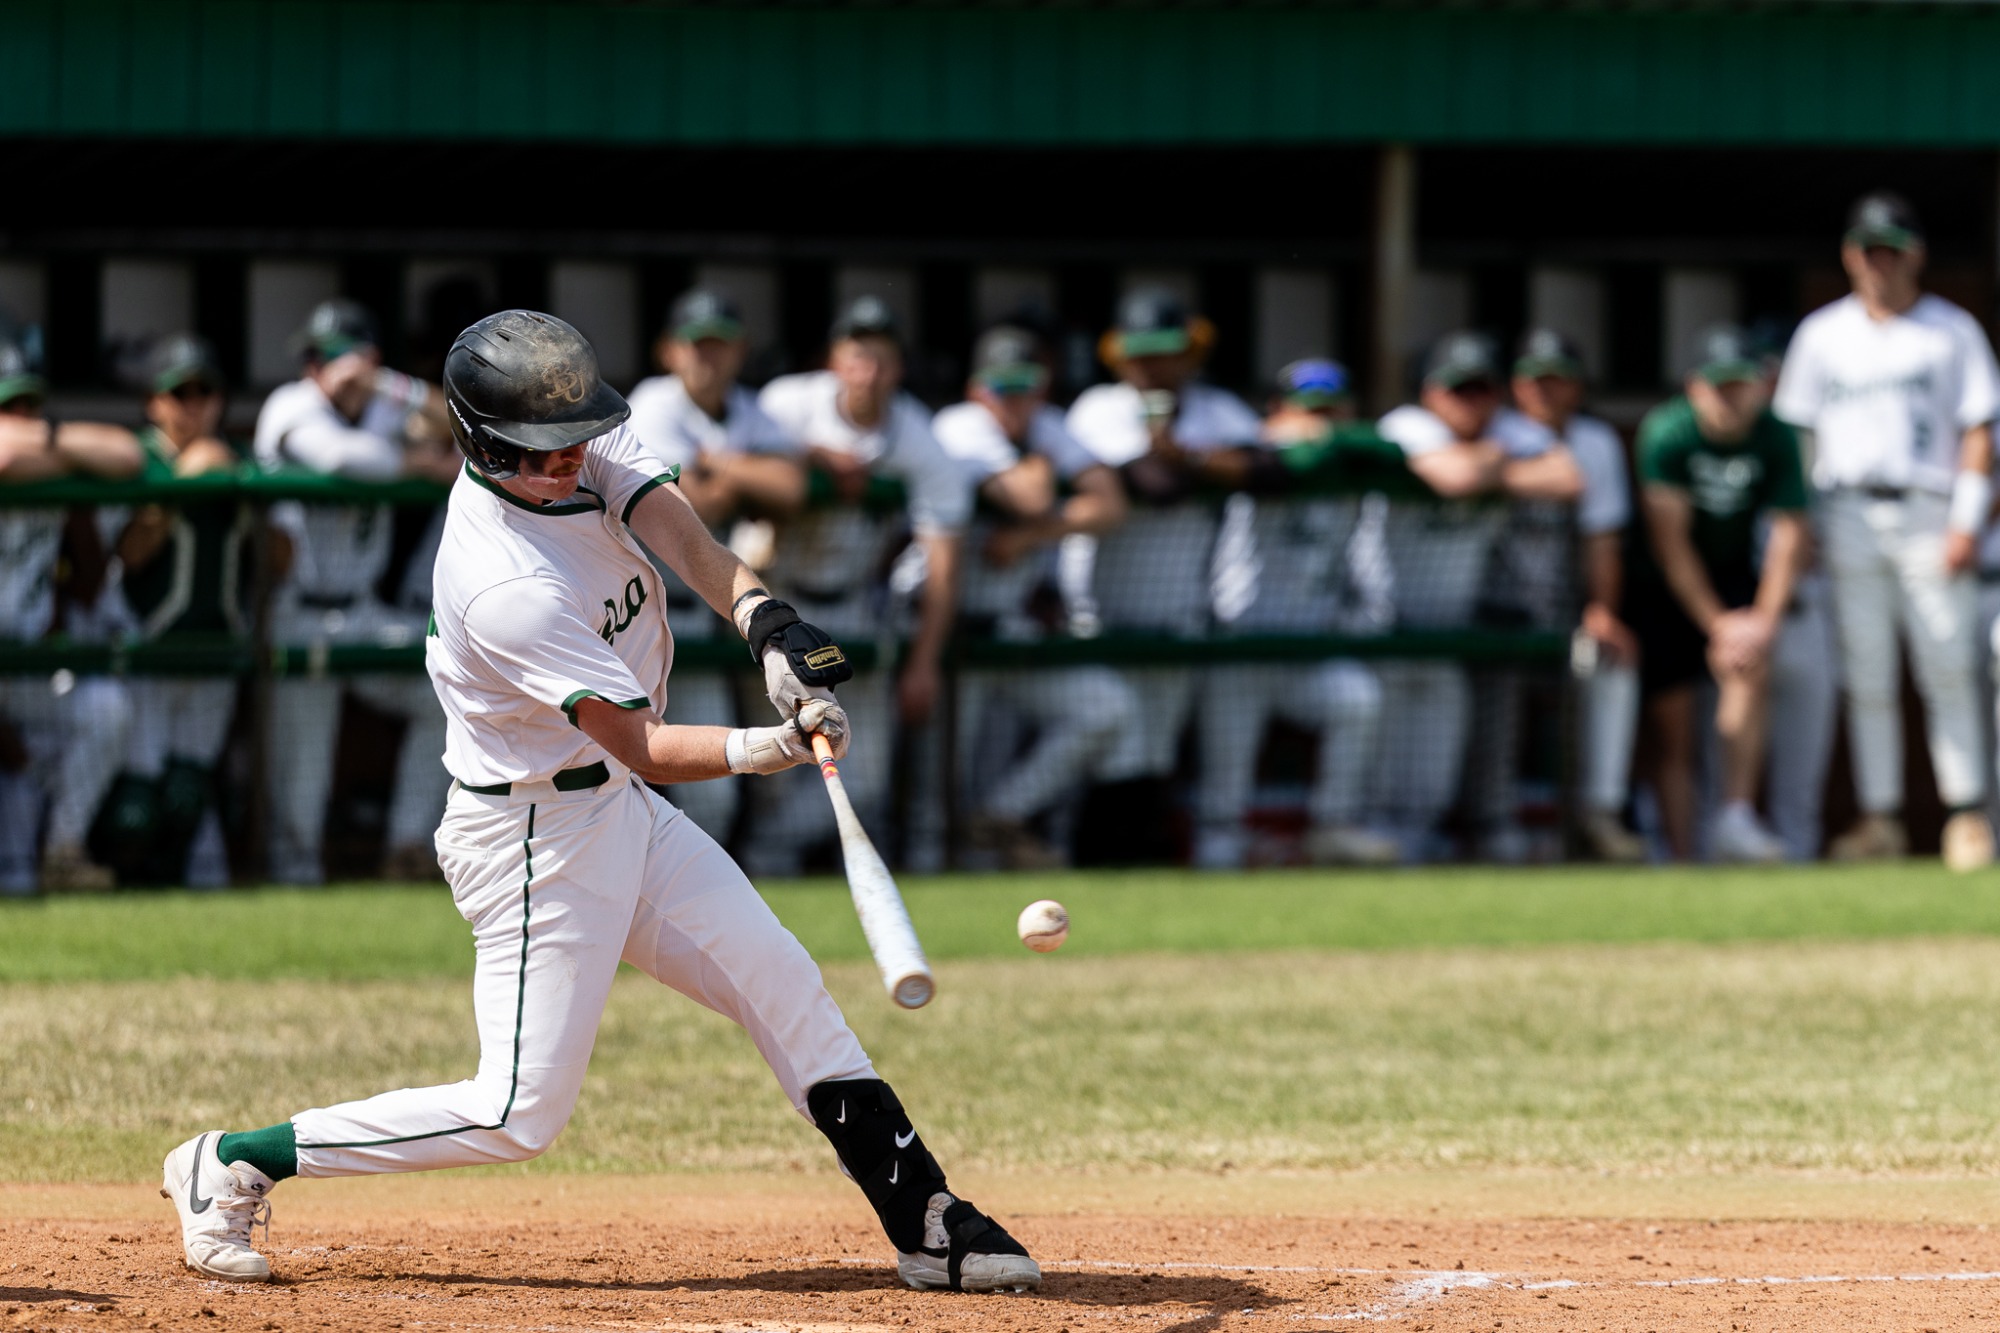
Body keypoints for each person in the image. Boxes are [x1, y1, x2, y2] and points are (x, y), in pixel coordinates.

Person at [160, 310, 1040, 1295]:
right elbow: (646, 745)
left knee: (781, 984)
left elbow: (680, 534)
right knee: (514, 1113)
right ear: (482, 444)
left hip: (614, 809)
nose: (569, 459)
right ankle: (234, 1157)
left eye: (575, 437)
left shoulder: (575, 431)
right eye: (543, 452)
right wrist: (775, 744)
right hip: (533, 836)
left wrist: (766, 623)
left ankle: (926, 1218)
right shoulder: (501, 581)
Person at [1774, 192, 1999, 870]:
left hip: (1928, 507)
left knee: (1946, 663)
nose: (1880, 263)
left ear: (1915, 254)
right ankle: (1882, 816)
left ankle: (1965, 814)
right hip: (1844, 511)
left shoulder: (1952, 329)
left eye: (1892, 250)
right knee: (1866, 671)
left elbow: (1979, 430)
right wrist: (1802, 522)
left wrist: (1967, 520)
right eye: (1868, 250)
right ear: (1849, 256)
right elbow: (1800, 436)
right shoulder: (1821, 333)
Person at [749, 296, 972, 875]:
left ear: (897, 368)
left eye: (881, 358)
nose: (867, 371)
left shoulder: (917, 434)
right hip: (771, 605)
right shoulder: (787, 403)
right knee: (768, 760)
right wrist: (816, 456)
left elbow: (944, 559)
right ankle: (759, 866)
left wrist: (923, 661)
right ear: (835, 361)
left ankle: (766, 856)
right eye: (856, 356)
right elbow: (726, 460)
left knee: (866, 771)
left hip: (853, 609)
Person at [254, 299, 460, 883]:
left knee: (448, 692)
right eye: (315, 358)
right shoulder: (289, 405)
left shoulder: (384, 405)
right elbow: (339, 457)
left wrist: (389, 385)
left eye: (336, 358)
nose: (323, 369)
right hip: (296, 610)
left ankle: (407, 844)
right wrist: (416, 463)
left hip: (365, 610)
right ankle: (294, 880)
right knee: (303, 778)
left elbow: (462, 425)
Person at [1065, 289, 1263, 855]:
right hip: (1095, 611)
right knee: (1111, 741)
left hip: (1177, 608)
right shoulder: (1098, 408)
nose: (1151, 365)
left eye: (1165, 351)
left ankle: (1135, 857)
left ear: (1190, 352)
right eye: (1140, 352)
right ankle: (1083, 851)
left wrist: (1195, 457)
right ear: (1119, 354)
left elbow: (1268, 466)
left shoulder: (1215, 408)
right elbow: (1156, 480)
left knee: (1153, 749)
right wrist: (1194, 462)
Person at [930, 325, 1135, 868]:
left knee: (1105, 707)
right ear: (978, 389)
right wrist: (1043, 471)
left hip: (1011, 631)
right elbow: (1029, 493)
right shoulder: (960, 424)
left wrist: (1030, 535)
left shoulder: (1044, 424)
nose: (1017, 400)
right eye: (1003, 387)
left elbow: (1110, 504)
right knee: (937, 787)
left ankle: (1001, 815)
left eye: (1027, 386)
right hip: (943, 631)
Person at [1372, 332, 1582, 858]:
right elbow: (1456, 477)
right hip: (1378, 624)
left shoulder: (1507, 431)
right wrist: (1497, 464)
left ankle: (1418, 852)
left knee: (1432, 777)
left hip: (1448, 630)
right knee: (1375, 768)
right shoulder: (1405, 426)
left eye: (1481, 389)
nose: (1470, 401)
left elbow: (1566, 477)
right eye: (1456, 389)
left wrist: (1488, 465)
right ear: (1429, 393)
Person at [1194, 359, 1397, 868]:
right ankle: (1220, 839)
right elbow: (1267, 460)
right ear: (1280, 411)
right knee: (1221, 816)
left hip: (1310, 644)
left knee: (1357, 697)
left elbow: (1393, 452)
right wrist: (1302, 438)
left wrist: (1329, 437)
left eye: (1332, 410)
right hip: (1240, 638)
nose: (1322, 421)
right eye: (1310, 410)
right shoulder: (1256, 454)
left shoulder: (1352, 460)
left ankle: (1332, 825)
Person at [623, 289, 805, 841]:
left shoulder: (749, 409)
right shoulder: (653, 402)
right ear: (669, 351)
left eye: (720, 345)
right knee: (601, 773)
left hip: (693, 619)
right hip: (623, 618)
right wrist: (738, 481)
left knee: (714, 797)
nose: (709, 356)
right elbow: (687, 504)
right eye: (697, 344)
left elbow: (791, 487)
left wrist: (719, 466)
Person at [1627, 326, 1808, 863]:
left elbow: (1789, 534)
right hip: (1664, 587)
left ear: (1761, 386)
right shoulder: (1666, 434)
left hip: (1733, 575)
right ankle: (1682, 858)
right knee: (1674, 727)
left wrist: (1761, 623)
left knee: (1749, 666)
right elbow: (1671, 544)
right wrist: (1717, 624)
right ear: (1694, 388)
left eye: (1740, 385)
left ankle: (1734, 816)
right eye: (1718, 386)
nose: (1730, 397)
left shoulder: (1777, 436)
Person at [93, 335, 250, 885]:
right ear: (153, 400)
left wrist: (236, 485)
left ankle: (177, 890)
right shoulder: (136, 460)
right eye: (179, 392)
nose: (193, 404)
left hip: (215, 648)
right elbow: (126, 553)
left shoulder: (239, 460)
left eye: (204, 391)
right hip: (146, 648)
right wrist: (187, 482)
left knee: (188, 794)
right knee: (138, 802)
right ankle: (122, 888)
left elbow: (281, 558)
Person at [0, 338, 142, 892]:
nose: (22, 418)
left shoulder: (54, 459)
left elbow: (127, 457)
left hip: (29, 671)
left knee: (107, 710)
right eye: (8, 407)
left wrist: (50, 444)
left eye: (30, 406)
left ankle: (63, 850)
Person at [1505, 330, 1647, 863]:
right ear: (1515, 386)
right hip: (1492, 611)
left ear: (1577, 386)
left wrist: (1602, 610)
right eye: (1534, 379)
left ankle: (1600, 814)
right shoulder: (1496, 431)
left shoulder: (1597, 442)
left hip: (1562, 615)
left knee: (1609, 661)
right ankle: (1492, 822)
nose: (1545, 390)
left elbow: (1603, 538)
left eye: (1556, 379)